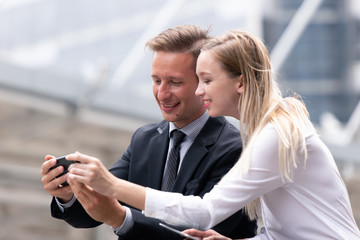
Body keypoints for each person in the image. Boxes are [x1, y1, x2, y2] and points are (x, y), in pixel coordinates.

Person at [65, 29, 360, 240]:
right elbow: (283, 233)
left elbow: (205, 212)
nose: (199, 90)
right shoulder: (272, 130)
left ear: (240, 83)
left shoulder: (276, 135)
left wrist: (113, 186)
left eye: (207, 79)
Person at [40, 25, 257, 240]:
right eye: (156, 81)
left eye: (174, 82)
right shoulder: (144, 139)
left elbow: (197, 233)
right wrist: (69, 194)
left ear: (203, 81)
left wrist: (121, 218)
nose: (162, 94)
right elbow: (98, 206)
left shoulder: (237, 150)